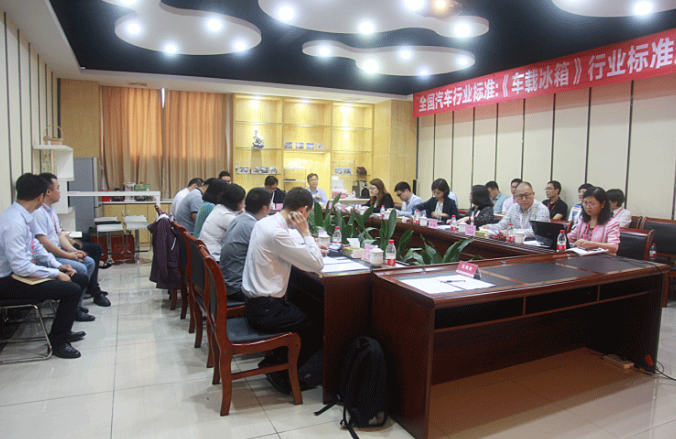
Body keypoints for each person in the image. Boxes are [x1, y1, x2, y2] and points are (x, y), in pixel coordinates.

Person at [242, 187, 328, 391]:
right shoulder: (277, 233)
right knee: (316, 329)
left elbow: (286, 243)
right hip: (266, 310)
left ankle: (276, 365)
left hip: (255, 304)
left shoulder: (265, 222)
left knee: (307, 310)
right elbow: (317, 264)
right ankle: (283, 374)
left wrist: (307, 245)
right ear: (304, 210)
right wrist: (306, 233)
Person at [0, 174, 89, 359]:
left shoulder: (22, 216)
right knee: (71, 290)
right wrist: (54, 274)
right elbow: (21, 267)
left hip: (20, 273)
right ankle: (59, 342)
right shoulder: (14, 222)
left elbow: (36, 246)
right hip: (7, 280)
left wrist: (58, 266)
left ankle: (64, 329)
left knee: (79, 278)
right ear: (41, 196)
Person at [32, 173, 111, 318]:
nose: (60, 192)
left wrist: (74, 251)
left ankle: (78, 304)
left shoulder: (50, 211)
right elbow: (44, 243)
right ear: (48, 192)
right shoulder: (38, 213)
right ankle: (74, 307)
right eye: (58, 188)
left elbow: (59, 235)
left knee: (88, 260)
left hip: (57, 251)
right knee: (82, 267)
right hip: (48, 256)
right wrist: (68, 256)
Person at [220, 188, 271, 302]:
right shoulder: (254, 227)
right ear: (264, 208)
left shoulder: (239, 219)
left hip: (226, 282)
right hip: (238, 288)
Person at [485, 181, 549, 237]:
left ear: (533, 194)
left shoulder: (541, 209)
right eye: (520, 196)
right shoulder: (513, 208)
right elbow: (502, 225)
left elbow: (536, 231)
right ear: (515, 197)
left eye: (527, 195)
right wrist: (488, 227)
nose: (524, 199)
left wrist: (511, 232)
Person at [200, 183, 246, 261]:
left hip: (206, 253)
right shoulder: (225, 216)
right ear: (238, 202)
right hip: (215, 258)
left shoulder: (219, 208)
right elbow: (244, 231)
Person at [567, 187, 620, 254]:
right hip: (581, 257)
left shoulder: (612, 223)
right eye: (585, 203)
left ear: (603, 204)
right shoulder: (582, 220)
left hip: (601, 258)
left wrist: (592, 244)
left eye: (592, 204)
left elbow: (614, 248)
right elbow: (571, 237)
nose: (588, 207)